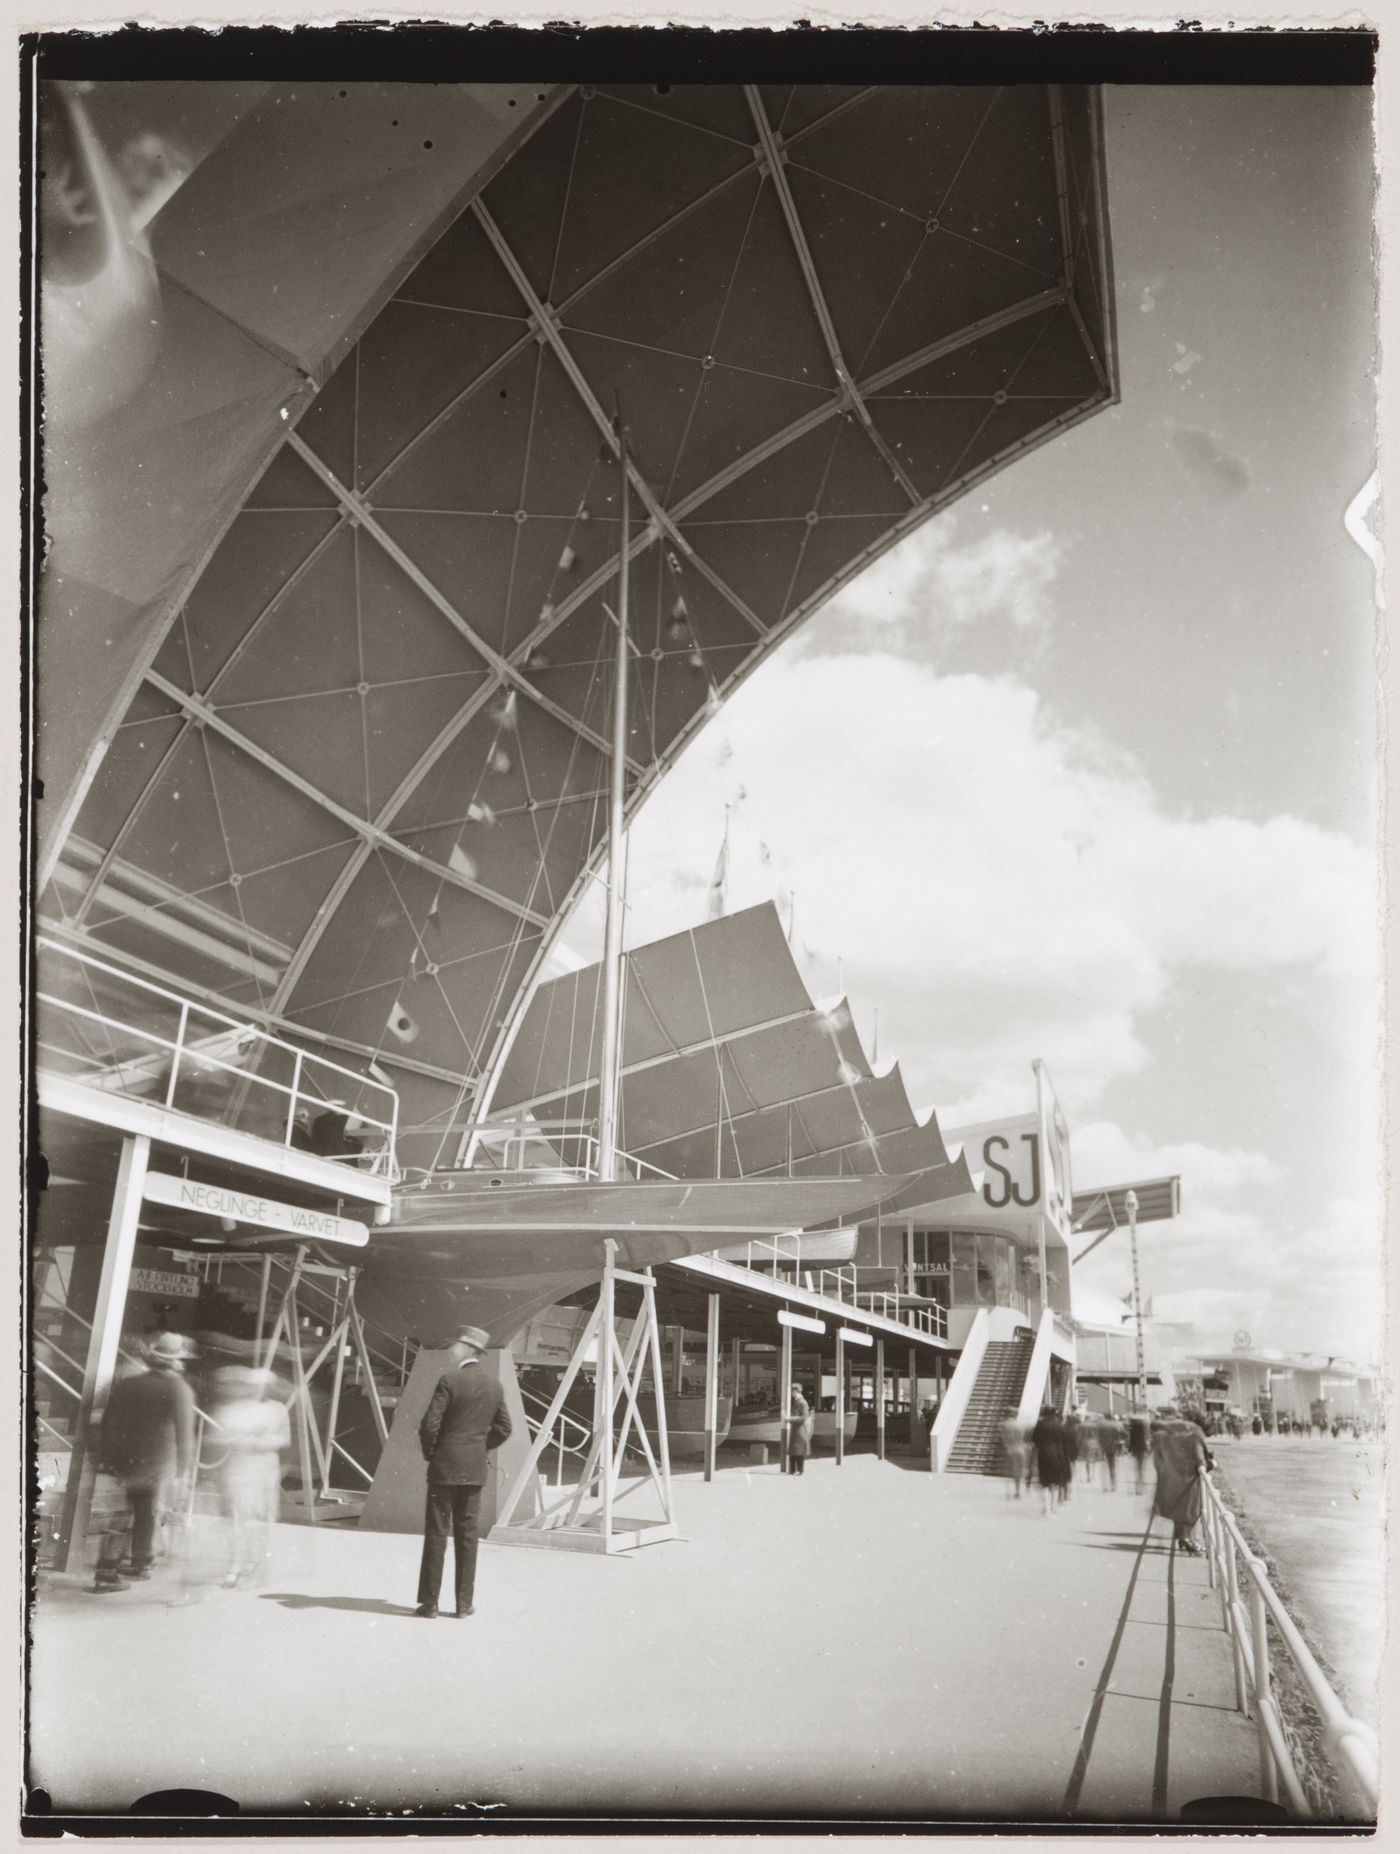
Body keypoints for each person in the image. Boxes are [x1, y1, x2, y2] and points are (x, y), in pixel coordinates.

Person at [415, 1325, 511, 1619]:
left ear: (469, 1349)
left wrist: (435, 1453)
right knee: (468, 1537)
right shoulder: (495, 1385)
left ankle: (430, 1605)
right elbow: (504, 1429)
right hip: (473, 1471)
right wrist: (478, 1448)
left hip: (445, 1469)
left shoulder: (449, 1379)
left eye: (455, 1344)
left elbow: (430, 1424)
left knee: (437, 1534)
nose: (450, 1349)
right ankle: (463, 1605)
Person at [92, 1332, 196, 1591]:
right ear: (175, 1361)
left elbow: (107, 1423)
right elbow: (185, 1432)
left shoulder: (126, 1383)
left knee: (129, 1512)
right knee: (144, 1513)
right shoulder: (177, 1387)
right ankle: (121, 1568)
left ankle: (128, 1563)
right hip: (156, 1463)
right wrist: (185, 1465)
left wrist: (106, 1458)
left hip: (123, 1461)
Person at [213, 1366, 290, 1588]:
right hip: (239, 1469)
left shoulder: (278, 1409)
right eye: (253, 1386)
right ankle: (234, 1568)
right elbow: (220, 1436)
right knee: (238, 1520)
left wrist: (258, 1442)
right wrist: (232, 1439)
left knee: (262, 1520)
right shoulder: (235, 1408)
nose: (257, 1390)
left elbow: (284, 1439)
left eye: (262, 1386)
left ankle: (257, 1567)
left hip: (265, 1469)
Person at [1151, 1415, 1212, 1554]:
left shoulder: (1170, 1434)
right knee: (1191, 1510)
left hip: (1172, 1476)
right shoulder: (1196, 1435)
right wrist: (1211, 1464)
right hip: (1189, 1478)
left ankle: (1184, 1540)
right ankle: (1186, 1540)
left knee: (1180, 1510)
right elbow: (1199, 1460)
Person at [1030, 1406, 1072, 1516]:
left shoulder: (1040, 1424)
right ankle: (1053, 1507)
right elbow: (1064, 1441)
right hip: (1057, 1455)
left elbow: (1034, 1439)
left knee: (1045, 1482)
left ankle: (1046, 1507)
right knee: (1055, 1482)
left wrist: (1041, 1445)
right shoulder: (1059, 1425)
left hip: (1043, 1454)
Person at [999, 1406, 1028, 1498]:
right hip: (1020, 1450)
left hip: (1010, 1450)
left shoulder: (1003, 1425)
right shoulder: (1021, 1425)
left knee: (1007, 1471)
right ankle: (1017, 1491)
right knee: (1018, 1472)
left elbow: (1003, 1438)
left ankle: (1008, 1492)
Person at [785, 1384, 812, 1476]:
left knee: (798, 1451)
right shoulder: (798, 1401)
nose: (791, 1393)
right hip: (796, 1429)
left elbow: (804, 1416)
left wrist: (790, 1419)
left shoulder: (802, 1402)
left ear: (796, 1391)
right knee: (794, 1450)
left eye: (792, 1391)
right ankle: (793, 1470)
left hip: (799, 1430)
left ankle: (800, 1470)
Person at [1127, 1411, 1151, 1492]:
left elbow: (1131, 1439)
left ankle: (1137, 1487)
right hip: (1142, 1448)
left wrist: (1129, 1449)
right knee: (1141, 1467)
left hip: (1135, 1448)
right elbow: (1146, 1438)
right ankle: (1141, 1486)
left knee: (1137, 1468)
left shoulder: (1132, 1426)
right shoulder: (1144, 1426)